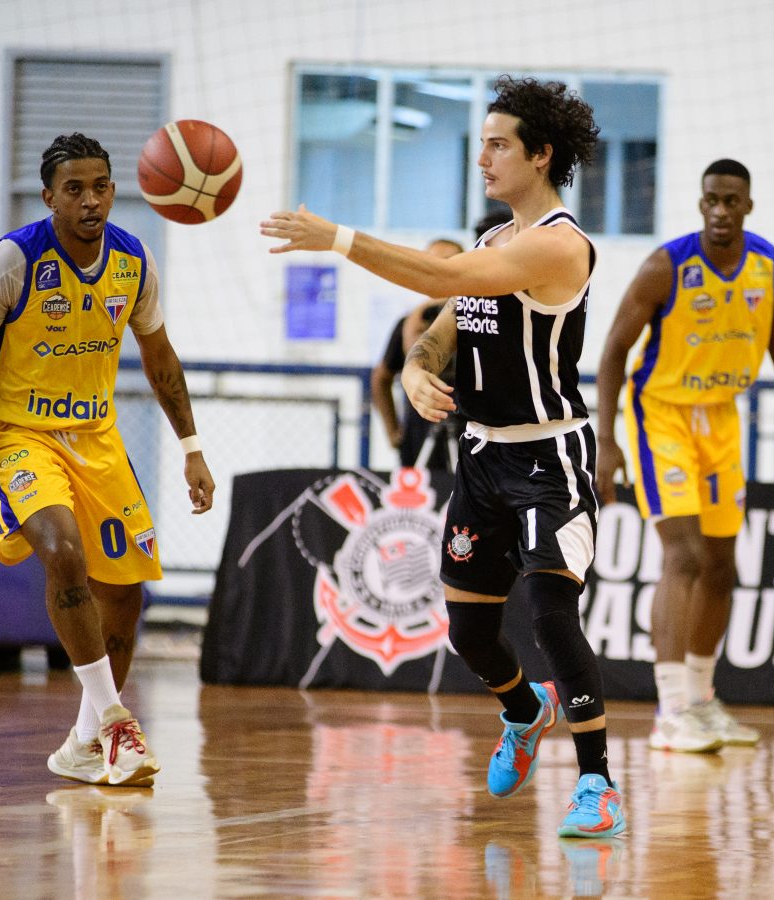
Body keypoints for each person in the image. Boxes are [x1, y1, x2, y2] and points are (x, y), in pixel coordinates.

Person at [262, 75, 624, 838]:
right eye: (482, 143)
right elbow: (440, 325)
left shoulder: (560, 245)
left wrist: (339, 238)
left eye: (498, 145)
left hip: (549, 460)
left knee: (550, 613)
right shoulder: (493, 242)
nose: (482, 158)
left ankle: (597, 783)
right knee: (469, 633)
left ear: (541, 155)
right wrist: (418, 371)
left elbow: (442, 277)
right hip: (482, 460)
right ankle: (524, 712)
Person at [0, 133, 215, 786]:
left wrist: (192, 449)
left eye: (100, 187)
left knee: (124, 593)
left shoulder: (133, 261)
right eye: (74, 189)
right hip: (16, 436)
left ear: (114, 191)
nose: (90, 200)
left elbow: (160, 358)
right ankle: (117, 721)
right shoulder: (14, 259)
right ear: (49, 198)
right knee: (64, 552)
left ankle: (82, 742)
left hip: (96, 438)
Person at [595, 158, 774, 753]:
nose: (719, 210)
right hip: (661, 414)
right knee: (682, 555)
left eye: (731, 201)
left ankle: (702, 700)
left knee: (721, 565)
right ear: (700, 203)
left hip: (721, 418)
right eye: (711, 199)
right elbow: (612, 351)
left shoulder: (771, 266)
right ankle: (670, 712)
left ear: (748, 206)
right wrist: (607, 441)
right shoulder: (666, 266)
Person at [370, 237, 464, 470]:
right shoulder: (410, 322)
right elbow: (381, 377)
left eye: (448, 261)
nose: (439, 269)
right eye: (431, 262)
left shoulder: (475, 321)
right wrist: (393, 432)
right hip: (419, 436)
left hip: (469, 436)